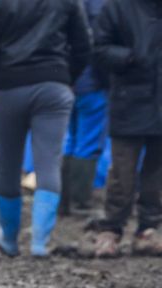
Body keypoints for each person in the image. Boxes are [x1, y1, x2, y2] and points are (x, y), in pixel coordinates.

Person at [0, 0, 92, 257]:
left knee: (7, 166)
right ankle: (39, 243)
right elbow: (83, 45)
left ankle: (10, 240)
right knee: (48, 163)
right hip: (53, 85)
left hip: (7, 86)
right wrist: (64, 77)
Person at [92, 0, 162, 258]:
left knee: (160, 173)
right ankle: (111, 228)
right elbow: (99, 48)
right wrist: (129, 57)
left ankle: (150, 228)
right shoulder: (117, 8)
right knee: (122, 173)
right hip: (129, 99)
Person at [61, 0, 108, 216]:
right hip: (91, 82)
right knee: (87, 142)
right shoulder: (99, 7)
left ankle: (63, 201)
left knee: (70, 140)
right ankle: (80, 202)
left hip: (65, 79)